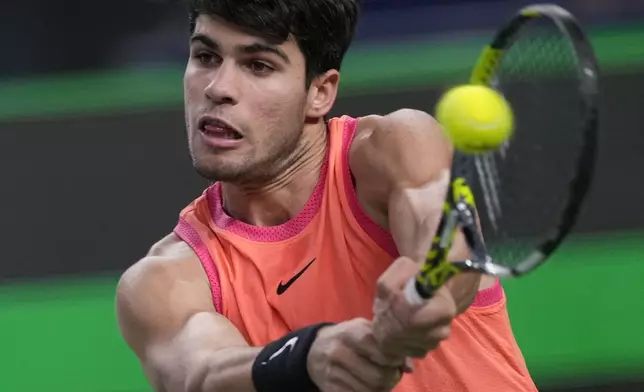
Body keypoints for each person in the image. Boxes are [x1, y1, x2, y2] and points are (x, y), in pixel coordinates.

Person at [115, 1, 538, 391]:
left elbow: (442, 241)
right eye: (206, 57)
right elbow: (203, 374)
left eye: (258, 65)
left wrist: (429, 296)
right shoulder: (162, 281)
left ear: (320, 92)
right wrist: (307, 356)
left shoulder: (393, 148)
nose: (219, 87)